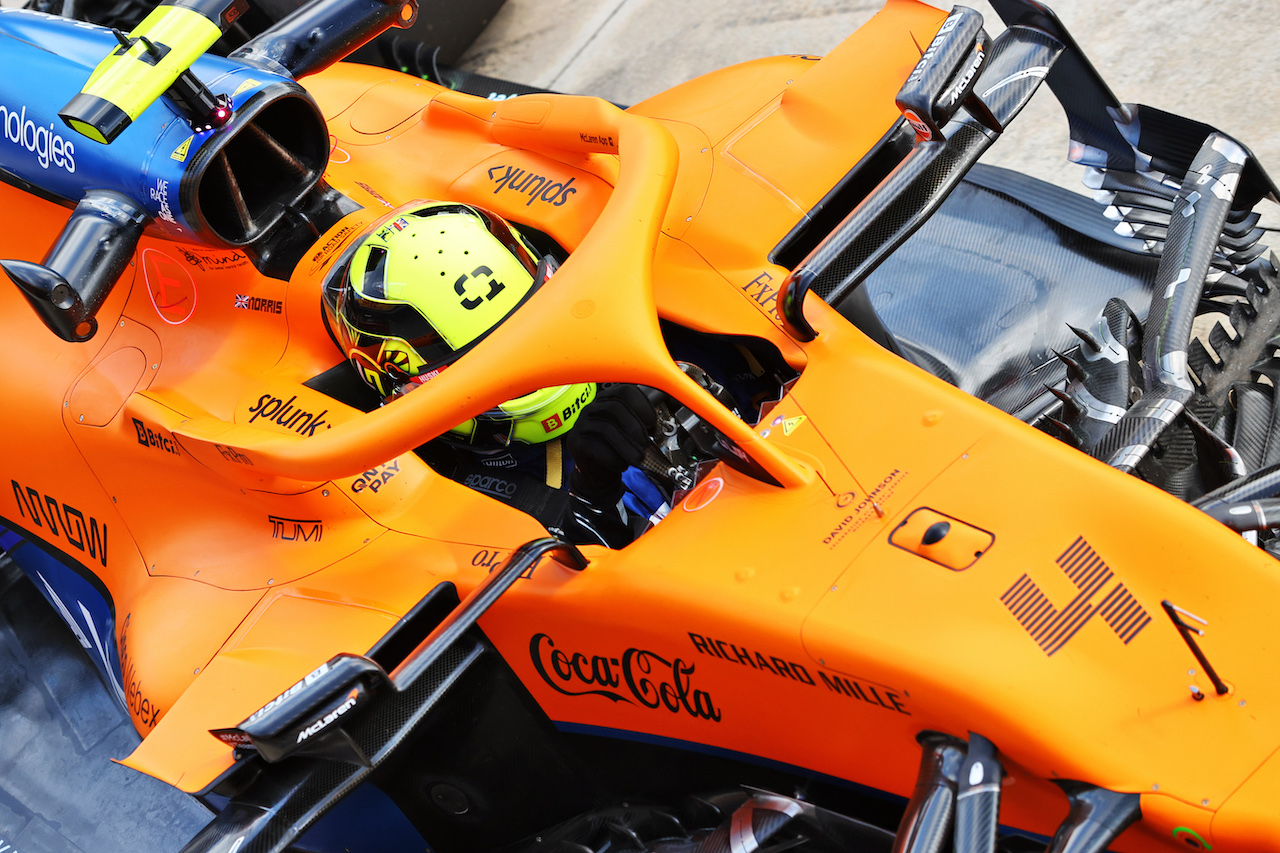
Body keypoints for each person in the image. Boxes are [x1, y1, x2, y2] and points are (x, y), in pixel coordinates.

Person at [321, 200, 667, 547]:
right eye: (490, 359)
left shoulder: (630, 358)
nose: (531, 363)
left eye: (536, 324)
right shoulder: (445, 507)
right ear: (400, 385)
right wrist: (593, 499)